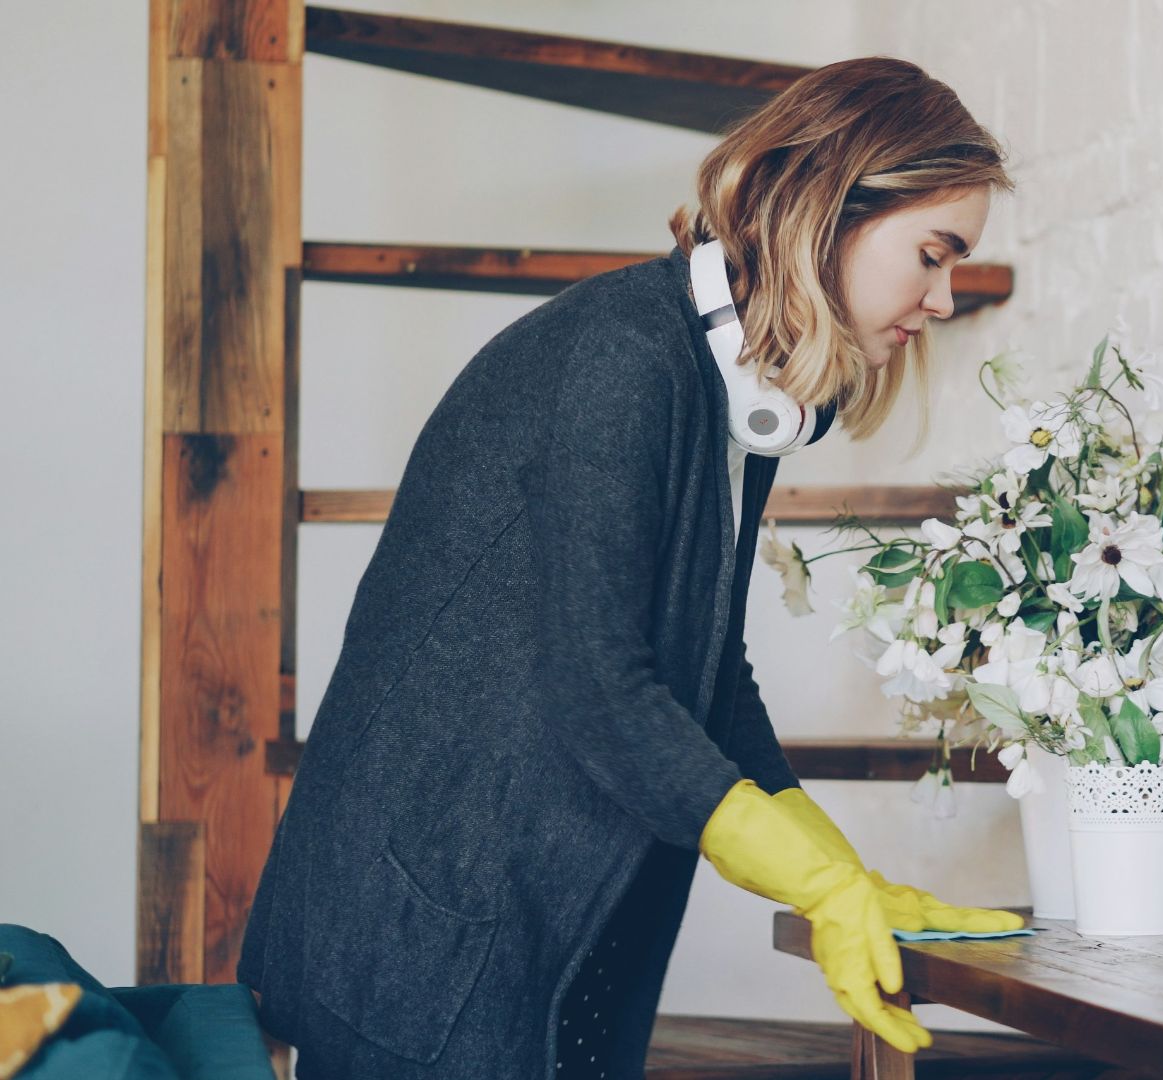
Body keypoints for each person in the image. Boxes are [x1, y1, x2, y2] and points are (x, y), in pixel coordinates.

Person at [236, 56, 1022, 1079]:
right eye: (932, 254)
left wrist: (834, 871)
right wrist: (818, 885)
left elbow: (703, 671)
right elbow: (601, 688)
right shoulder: (626, 357)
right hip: (426, 931)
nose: (944, 297)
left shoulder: (723, 387)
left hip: (531, 913)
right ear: (832, 205)